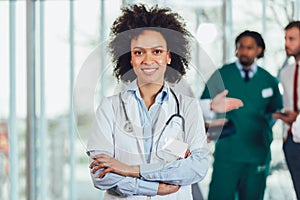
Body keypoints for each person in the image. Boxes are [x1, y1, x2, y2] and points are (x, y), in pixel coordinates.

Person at [86, 4, 211, 199]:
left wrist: (130, 170)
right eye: (139, 52)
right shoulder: (109, 107)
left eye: (157, 51)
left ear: (169, 56)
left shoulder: (187, 107)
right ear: (130, 58)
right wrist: (155, 188)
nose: (148, 60)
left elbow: (197, 168)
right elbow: (100, 176)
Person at [201, 30, 283, 200]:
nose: (244, 52)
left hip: (257, 153)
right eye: (241, 47)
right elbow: (202, 107)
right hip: (227, 153)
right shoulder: (222, 75)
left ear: (259, 50)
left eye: (249, 48)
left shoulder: (269, 81)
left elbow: (276, 113)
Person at [273, 20, 300, 200]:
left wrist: (298, 117)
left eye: (292, 39)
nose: (286, 44)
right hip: (291, 140)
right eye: (285, 38)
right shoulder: (286, 72)